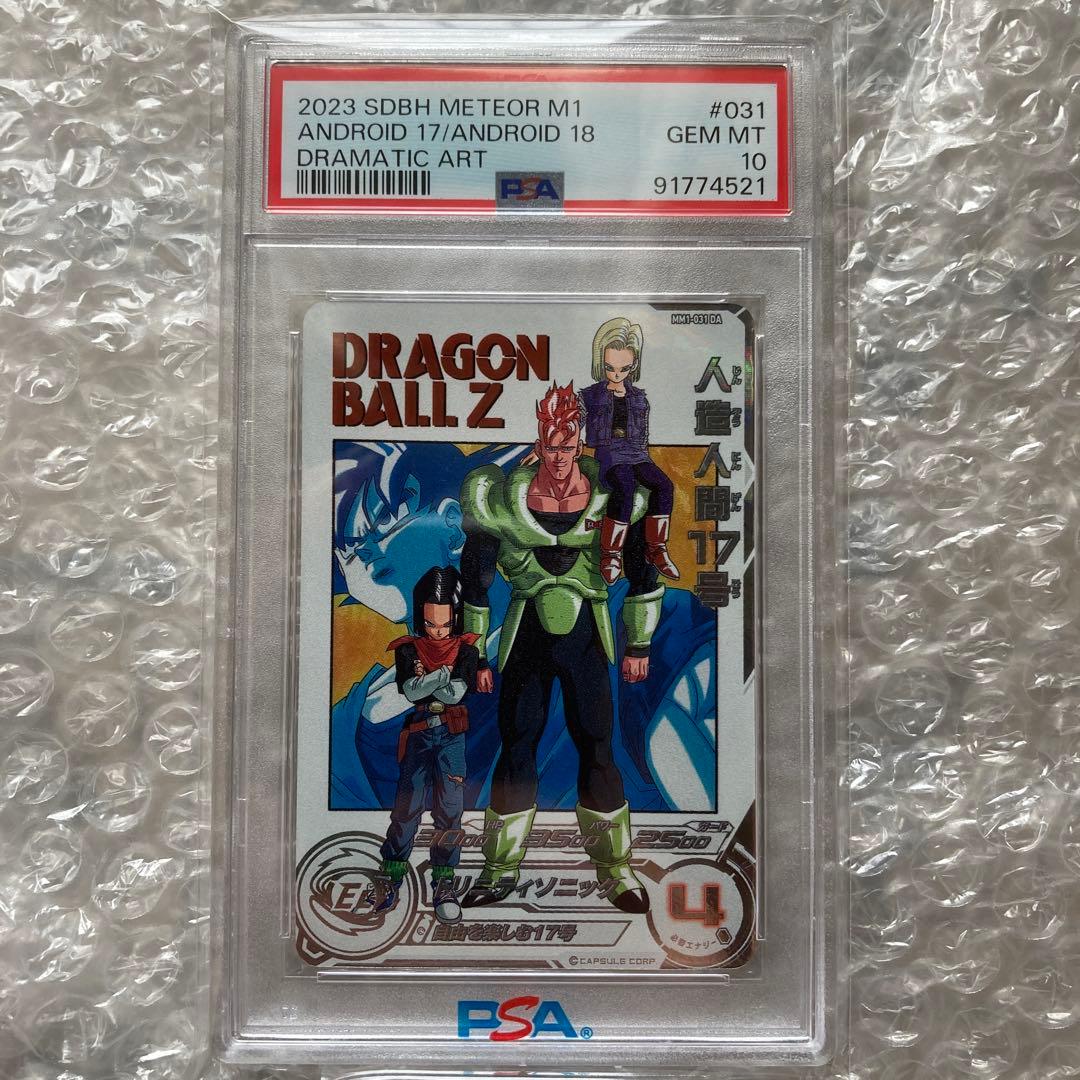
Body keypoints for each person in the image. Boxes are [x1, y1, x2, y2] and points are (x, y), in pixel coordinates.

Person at [458, 382, 667, 914]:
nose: (558, 457)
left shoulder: (615, 493)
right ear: (539, 443)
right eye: (550, 446)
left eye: (567, 446)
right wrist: (476, 653)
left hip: (587, 637)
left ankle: (615, 868)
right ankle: (499, 868)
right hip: (525, 635)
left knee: (597, 747)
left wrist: (639, 642)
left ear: (579, 444)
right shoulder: (498, 497)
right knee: (517, 748)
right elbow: (476, 578)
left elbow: (643, 570)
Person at [374, 565, 480, 925]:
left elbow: (455, 694)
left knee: (450, 811)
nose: (438, 631)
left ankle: (444, 883)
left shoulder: (467, 650)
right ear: (421, 617)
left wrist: (432, 679)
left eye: (445, 624)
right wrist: (442, 676)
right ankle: (391, 877)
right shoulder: (408, 649)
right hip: (419, 734)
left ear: (456, 617)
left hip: (451, 737)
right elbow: (411, 692)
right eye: (431, 624)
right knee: (407, 809)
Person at [579, 316, 679, 584]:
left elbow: (642, 435)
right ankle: (611, 554)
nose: (616, 374)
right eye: (609, 367)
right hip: (609, 454)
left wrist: (644, 457)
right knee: (624, 485)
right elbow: (571, 423)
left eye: (623, 368)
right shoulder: (590, 395)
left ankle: (656, 547)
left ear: (634, 365)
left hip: (637, 454)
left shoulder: (639, 398)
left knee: (664, 486)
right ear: (600, 362)